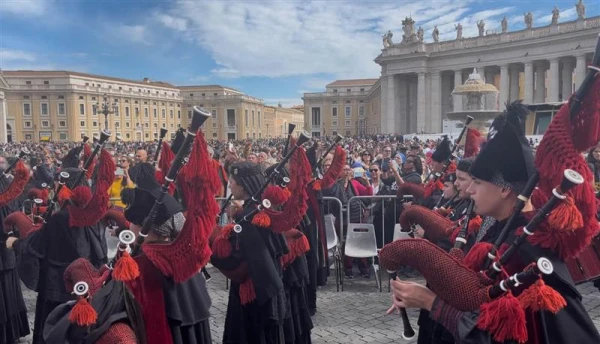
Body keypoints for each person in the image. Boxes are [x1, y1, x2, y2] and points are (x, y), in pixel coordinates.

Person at [386, 101, 600, 343]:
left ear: (504, 189)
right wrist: (422, 294)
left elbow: (497, 336)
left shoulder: (524, 250)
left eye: (477, 182)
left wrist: (429, 302)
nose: (469, 189)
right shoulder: (502, 228)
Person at [211, 161, 287, 343]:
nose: (229, 184)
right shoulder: (256, 210)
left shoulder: (252, 217)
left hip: (253, 294)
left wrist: (210, 249)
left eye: (232, 181)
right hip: (260, 290)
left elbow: (238, 260)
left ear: (243, 185)